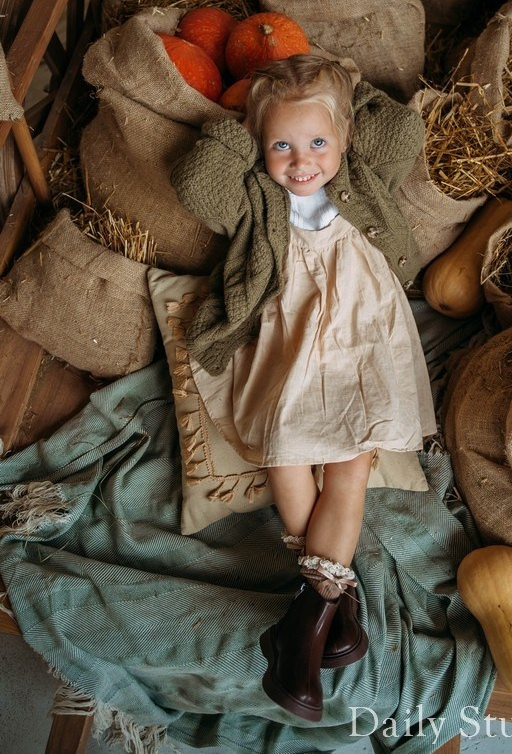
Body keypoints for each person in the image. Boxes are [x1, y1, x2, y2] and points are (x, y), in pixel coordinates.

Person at [170, 54, 436, 723]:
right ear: (262, 151)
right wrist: (242, 122)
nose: (302, 161)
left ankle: (309, 620)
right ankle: (329, 616)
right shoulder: (259, 199)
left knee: (350, 460)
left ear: (343, 140)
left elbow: (402, 131)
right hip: (290, 334)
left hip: (365, 333)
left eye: (318, 142)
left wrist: (347, 89)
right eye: (281, 146)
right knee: (284, 451)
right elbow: (198, 185)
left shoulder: (361, 175)